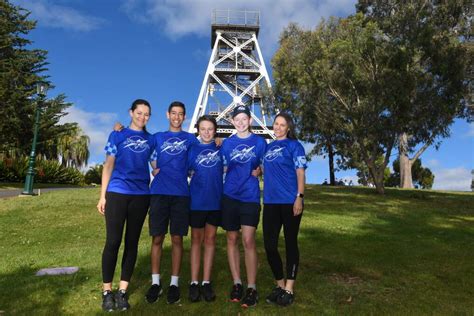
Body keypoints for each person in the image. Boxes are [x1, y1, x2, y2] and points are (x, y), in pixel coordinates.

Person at [97, 99, 154, 312]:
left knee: (132, 243)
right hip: (118, 193)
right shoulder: (117, 135)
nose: (142, 117)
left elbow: (156, 165)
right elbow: (108, 165)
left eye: (147, 114)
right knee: (113, 242)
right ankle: (106, 292)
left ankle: (122, 292)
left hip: (141, 196)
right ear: (131, 113)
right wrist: (103, 196)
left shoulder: (151, 140)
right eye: (139, 112)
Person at [145, 101, 199, 305]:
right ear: (168, 115)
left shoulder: (190, 139)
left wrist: (219, 140)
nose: (177, 117)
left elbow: (203, 150)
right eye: (173, 113)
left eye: (180, 114)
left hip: (181, 194)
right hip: (159, 192)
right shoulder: (158, 137)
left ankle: (174, 284)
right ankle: (156, 283)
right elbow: (143, 145)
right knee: (157, 238)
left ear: (184, 117)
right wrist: (154, 165)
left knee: (177, 239)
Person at [220, 105, 266, 308]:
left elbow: (268, 162)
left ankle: (252, 287)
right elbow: (219, 165)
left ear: (250, 120)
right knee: (231, 238)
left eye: (244, 118)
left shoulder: (259, 142)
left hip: (250, 196)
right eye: (236, 119)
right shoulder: (227, 144)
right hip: (230, 195)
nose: (240, 122)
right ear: (232, 122)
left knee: (248, 240)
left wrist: (261, 170)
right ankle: (237, 283)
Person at [262, 112, 307, 307]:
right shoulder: (268, 147)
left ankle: (289, 288)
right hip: (271, 202)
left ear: (288, 128)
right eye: (276, 124)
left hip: (290, 201)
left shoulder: (295, 146)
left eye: (282, 125)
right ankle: (279, 285)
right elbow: (263, 170)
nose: (278, 127)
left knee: (290, 244)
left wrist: (299, 197)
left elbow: (300, 172)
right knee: (269, 246)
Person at [187, 115, 223, 303]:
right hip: (196, 202)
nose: (207, 132)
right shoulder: (192, 150)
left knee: (210, 240)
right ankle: (194, 282)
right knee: (196, 241)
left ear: (215, 130)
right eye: (203, 129)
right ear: (198, 131)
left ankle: (206, 282)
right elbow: (181, 170)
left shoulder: (220, 148)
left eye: (210, 129)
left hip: (215, 202)